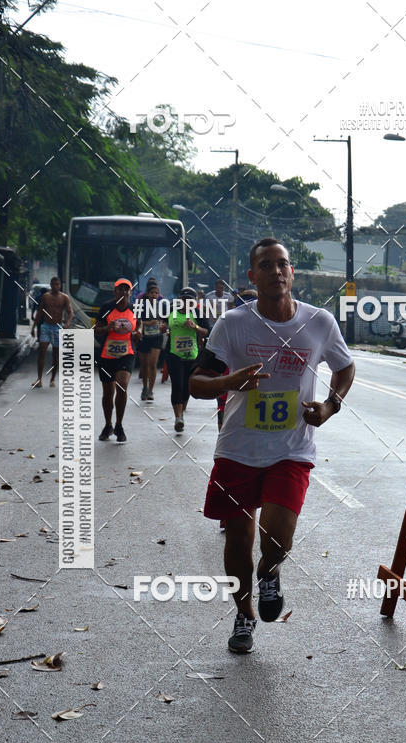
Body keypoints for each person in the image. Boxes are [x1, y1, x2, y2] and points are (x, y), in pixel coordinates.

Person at [190, 238, 355, 653]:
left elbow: (345, 366)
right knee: (238, 539)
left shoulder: (319, 322)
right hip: (238, 449)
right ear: (252, 275)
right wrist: (229, 381)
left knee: (277, 539)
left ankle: (270, 571)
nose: (276, 271)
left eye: (282, 264)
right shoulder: (232, 323)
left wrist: (331, 406)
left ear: (292, 272)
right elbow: (196, 383)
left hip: (291, 449)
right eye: (266, 265)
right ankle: (244, 615)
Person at [94, 278, 139, 443]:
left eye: (126, 289)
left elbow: (139, 327)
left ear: (130, 292)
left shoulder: (134, 309)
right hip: (107, 354)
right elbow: (96, 330)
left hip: (127, 353)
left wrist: (138, 334)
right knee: (108, 393)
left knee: (122, 385)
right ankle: (108, 425)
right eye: (120, 289)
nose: (123, 292)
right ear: (115, 292)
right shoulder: (106, 308)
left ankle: (119, 425)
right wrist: (107, 328)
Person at [165, 286, 208, 432]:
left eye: (190, 300)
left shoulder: (198, 314)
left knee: (186, 387)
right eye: (184, 299)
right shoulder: (171, 311)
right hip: (174, 354)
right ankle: (178, 417)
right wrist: (164, 328)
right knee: (177, 384)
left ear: (194, 301)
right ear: (179, 300)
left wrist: (195, 327)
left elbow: (206, 331)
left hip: (192, 356)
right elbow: (163, 324)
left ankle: (181, 412)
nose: (186, 302)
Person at [30, 276, 72, 387]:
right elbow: (40, 312)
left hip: (58, 327)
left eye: (57, 284)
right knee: (42, 352)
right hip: (46, 326)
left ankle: (52, 379)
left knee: (56, 355)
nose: (55, 286)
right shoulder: (46, 297)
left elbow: (70, 312)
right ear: (50, 285)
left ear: (60, 285)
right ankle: (39, 379)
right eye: (53, 284)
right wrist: (33, 327)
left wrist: (68, 323)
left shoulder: (64, 297)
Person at [137, 282, 164, 401]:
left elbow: (165, 320)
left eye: (156, 293)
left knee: (153, 364)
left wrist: (163, 325)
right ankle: (145, 387)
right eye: (152, 293)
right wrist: (148, 323)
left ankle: (150, 391)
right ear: (147, 294)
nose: (154, 295)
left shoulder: (162, 306)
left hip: (157, 337)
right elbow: (136, 321)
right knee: (144, 365)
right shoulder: (141, 306)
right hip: (144, 337)